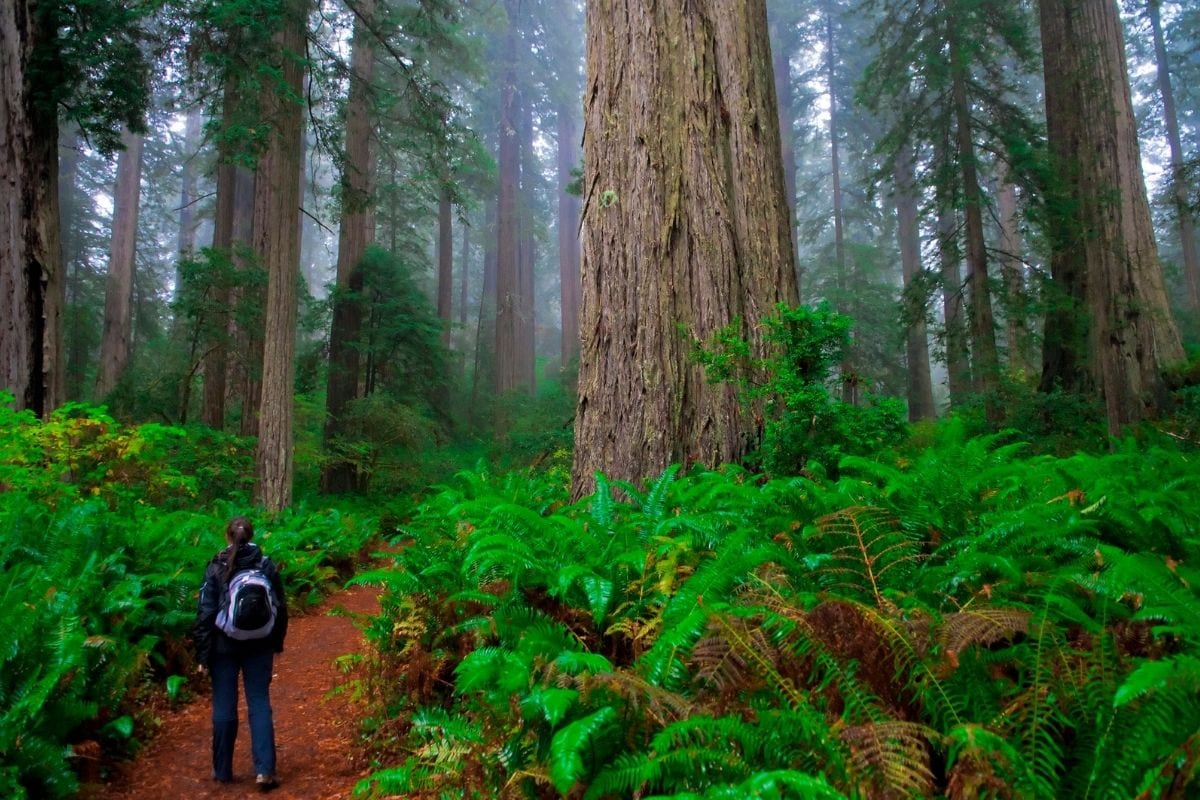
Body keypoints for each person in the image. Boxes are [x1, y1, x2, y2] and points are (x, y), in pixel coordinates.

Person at [194, 516, 288, 791]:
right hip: (260, 644)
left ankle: (222, 770)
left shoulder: (216, 565)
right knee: (259, 702)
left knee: (224, 704)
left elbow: (205, 613)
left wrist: (202, 654)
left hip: (223, 645)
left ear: (228, 536)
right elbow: (280, 606)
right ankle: (265, 771)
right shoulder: (266, 564)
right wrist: (277, 641)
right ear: (252, 535)